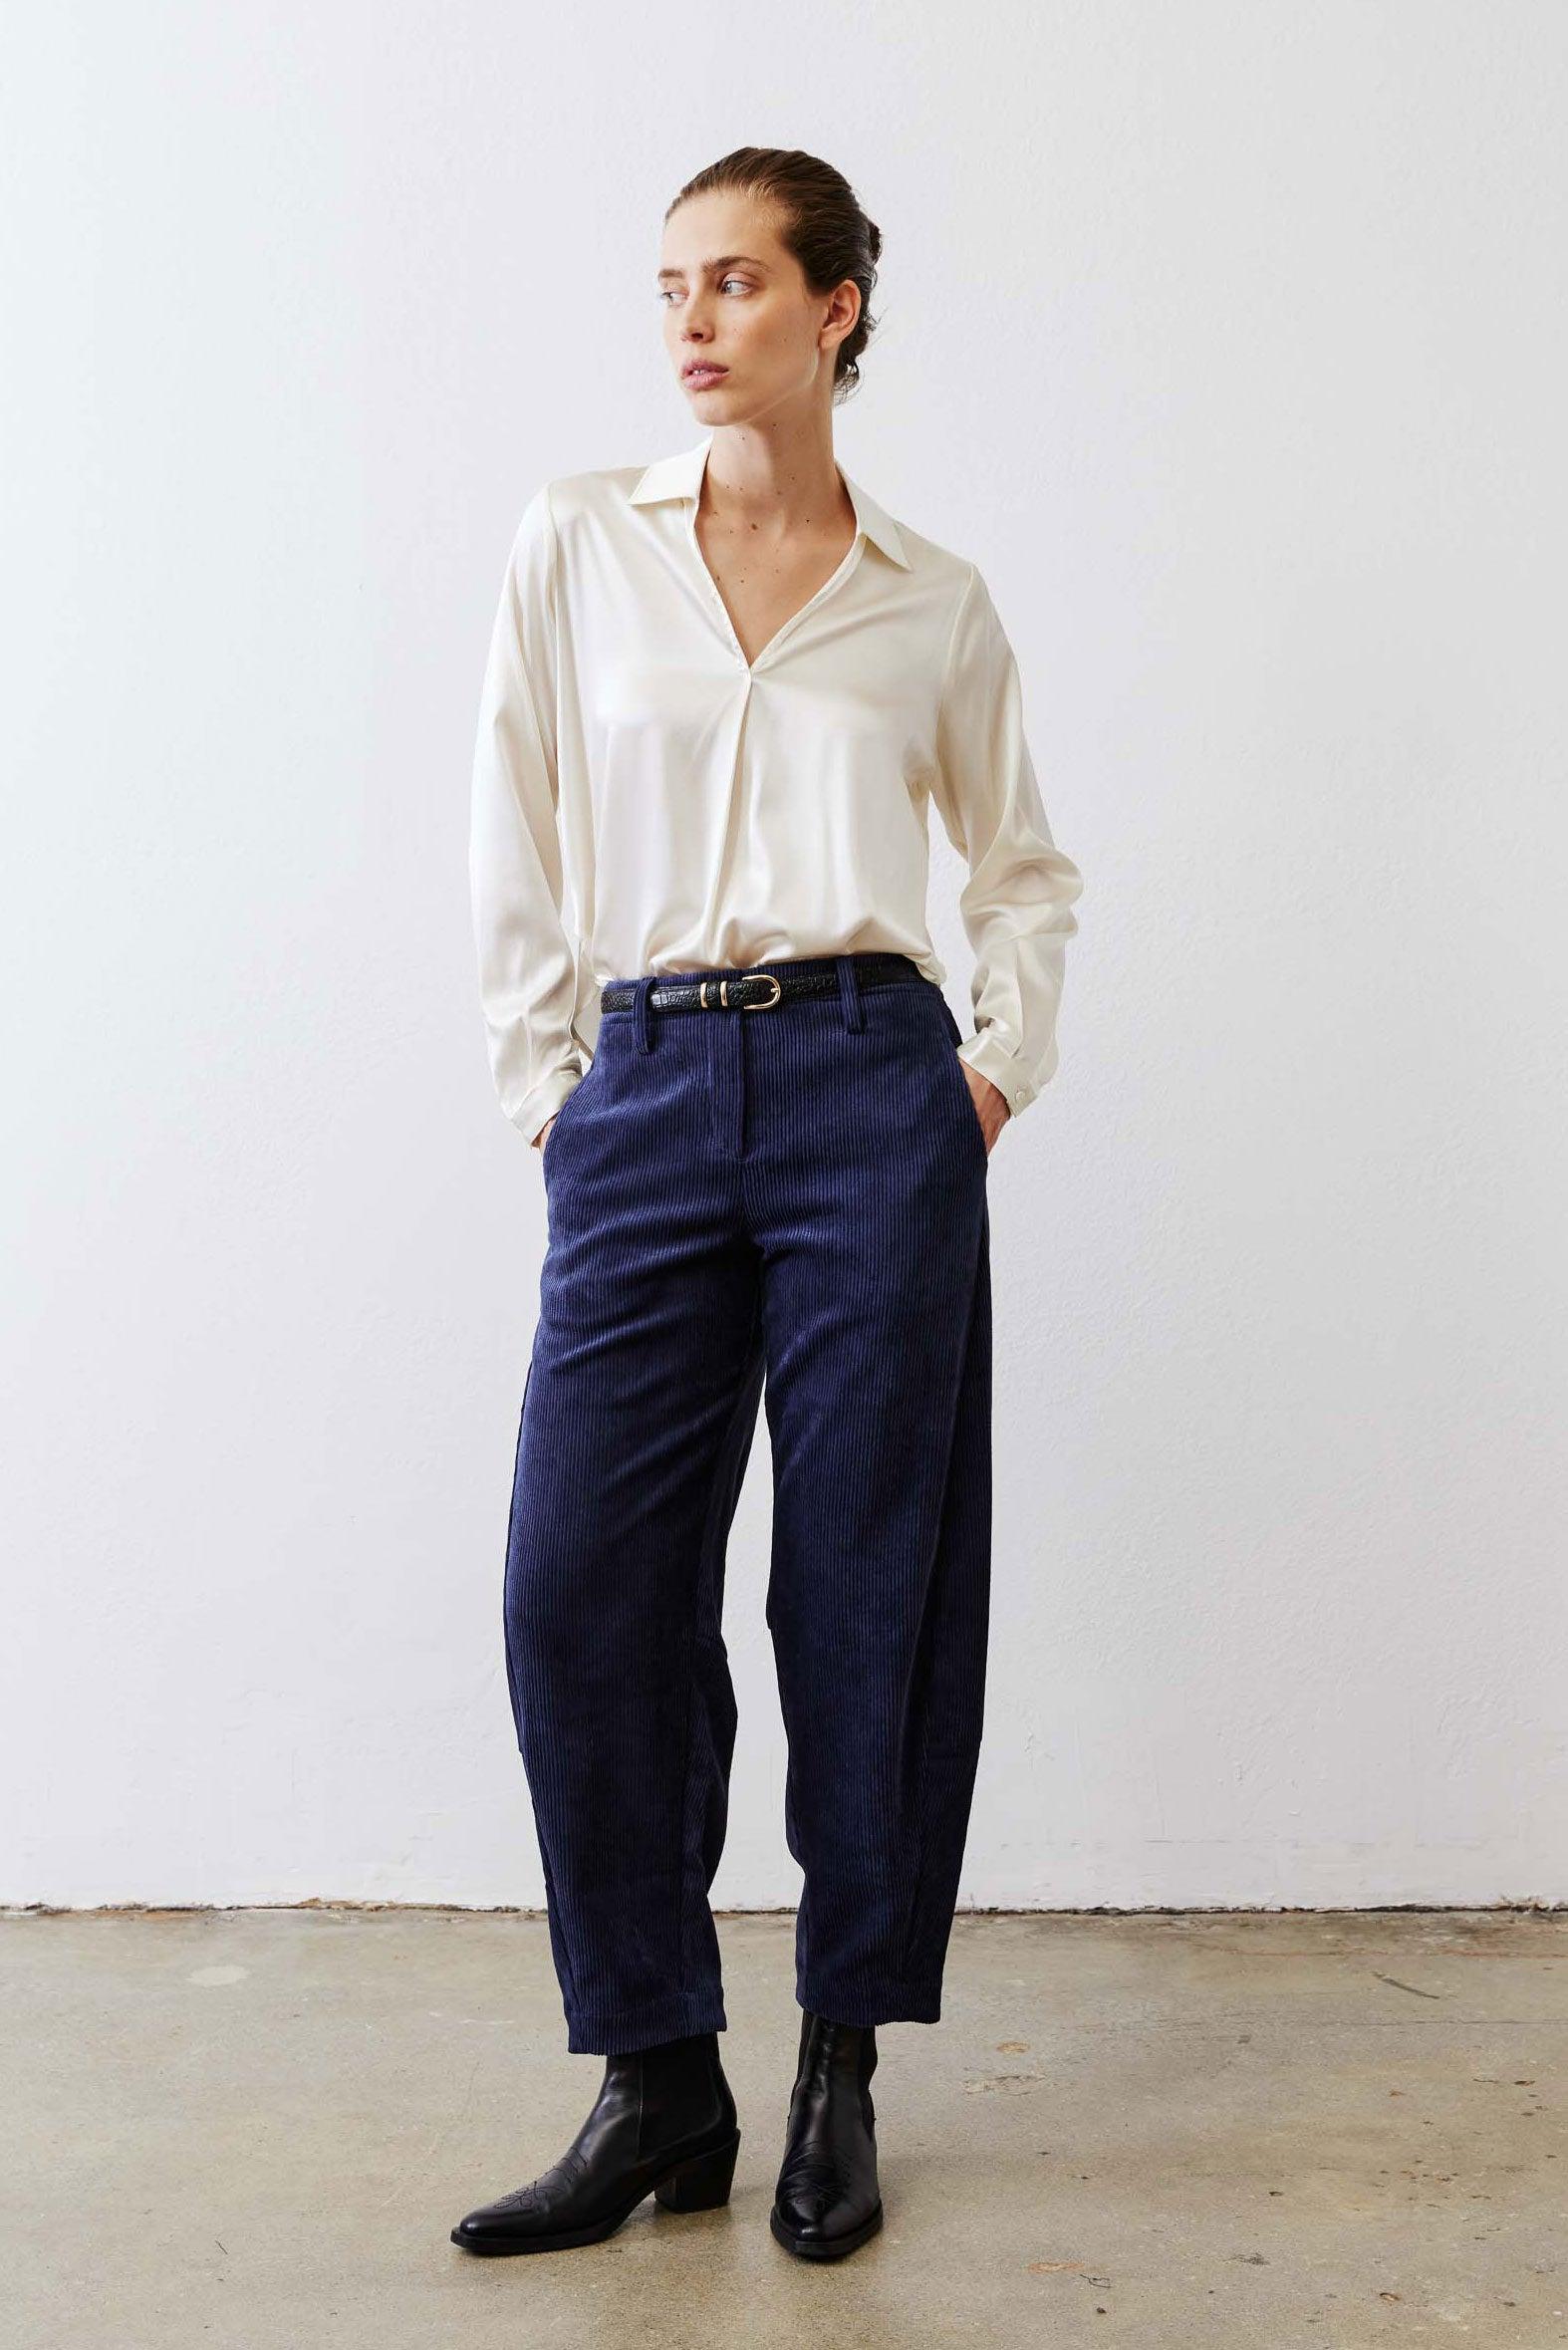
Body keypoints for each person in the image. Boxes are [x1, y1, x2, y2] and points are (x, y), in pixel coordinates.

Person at [452, 145, 1084, 2263]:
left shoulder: (930, 597)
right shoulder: (578, 541)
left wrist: (983, 1075)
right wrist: (551, 1096)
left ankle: (838, 2060)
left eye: (732, 281)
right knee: (579, 1585)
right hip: (640, 1091)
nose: (691, 321)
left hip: (865, 1096)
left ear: (834, 309)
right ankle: (658, 2077)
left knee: (863, 1593)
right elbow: (516, 820)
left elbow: (1023, 872)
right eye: (668, 286)